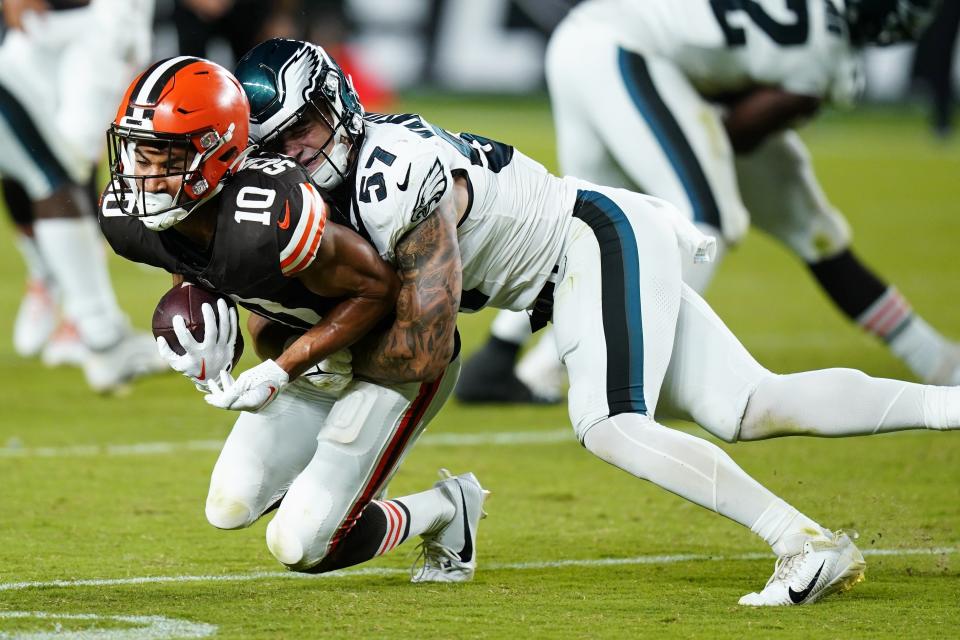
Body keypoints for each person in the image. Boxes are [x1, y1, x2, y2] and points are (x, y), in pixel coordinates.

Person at [233, 37, 960, 606]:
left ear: (339, 105)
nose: (298, 151)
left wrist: (298, 361)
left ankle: (801, 544)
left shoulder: (393, 174)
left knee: (610, 423)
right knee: (749, 405)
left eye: (307, 128)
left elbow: (427, 341)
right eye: (278, 142)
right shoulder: (329, 185)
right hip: (581, 256)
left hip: (587, 241)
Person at [98, 56, 486, 582]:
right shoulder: (129, 218)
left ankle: (446, 507)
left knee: (303, 546)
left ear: (214, 152)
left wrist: (283, 367)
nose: (140, 177)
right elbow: (190, 258)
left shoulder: (266, 214)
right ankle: (347, 486)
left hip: (391, 357)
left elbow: (380, 290)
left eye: (161, 158)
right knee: (229, 506)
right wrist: (195, 314)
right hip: (312, 364)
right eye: (135, 154)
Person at [457, 0, 959, 405]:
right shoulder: (827, 49)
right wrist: (684, 149)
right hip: (624, 53)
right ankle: (571, 363)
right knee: (706, 218)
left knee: (808, 223)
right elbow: (735, 133)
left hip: (598, 40)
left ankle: (499, 360)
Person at [0, 0, 165, 391]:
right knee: (55, 172)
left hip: (76, 26)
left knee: (49, 167)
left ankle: (76, 308)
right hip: (66, 30)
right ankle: (98, 333)